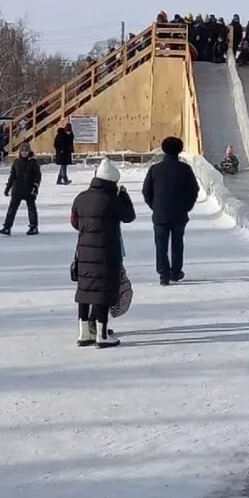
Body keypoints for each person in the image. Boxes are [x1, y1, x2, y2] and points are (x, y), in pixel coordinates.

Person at [71, 158, 136, 348]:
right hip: (107, 252)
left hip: (84, 251)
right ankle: (102, 335)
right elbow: (129, 216)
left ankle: (84, 334)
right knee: (103, 292)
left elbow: (75, 222)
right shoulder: (113, 200)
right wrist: (124, 196)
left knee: (85, 291)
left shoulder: (80, 198)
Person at [142, 136, 199, 286]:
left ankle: (163, 273)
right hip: (179, 213)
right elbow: (194, 190)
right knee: (177, 243)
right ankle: (176, 271)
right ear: (180, 150)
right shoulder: (185, 169)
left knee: (160, 244)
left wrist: (154, 205)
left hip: (160, 213)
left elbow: (146, 191)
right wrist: (187, 206)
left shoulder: (155, 169)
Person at [0, 142, 42, 236]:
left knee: (31, 209)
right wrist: (8, 188)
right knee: (12, 209)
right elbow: (12, 176)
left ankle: (33, 227)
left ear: (29, 151)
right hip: (17, 189)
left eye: (26, 151)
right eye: (22, 151)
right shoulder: (17, 162)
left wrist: (35, 186)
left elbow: (38, 175)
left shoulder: (33, 162)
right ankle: (7, 227)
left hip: (29, 188)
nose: (24, 153)